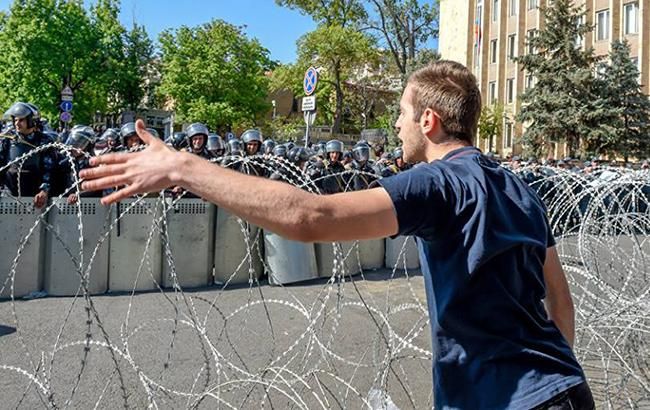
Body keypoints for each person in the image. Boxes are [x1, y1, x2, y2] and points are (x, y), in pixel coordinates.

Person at [80, 60, 592, 409]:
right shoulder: (517, 187)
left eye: (402, 114)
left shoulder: (437, 183)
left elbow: (311, 217)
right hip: (563, 388)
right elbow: (560, 302)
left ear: (429, 121)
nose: (397, 126)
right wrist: (549, 376)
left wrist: (183, 168)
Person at [0, 102, 56, 207]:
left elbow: (49, 168)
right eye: (15, 120)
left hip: (34, 193)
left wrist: (44, 190)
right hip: (9, 190)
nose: (17, 123)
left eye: (21, 120)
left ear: (31, 121)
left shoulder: (43, 140)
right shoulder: (7, 139)